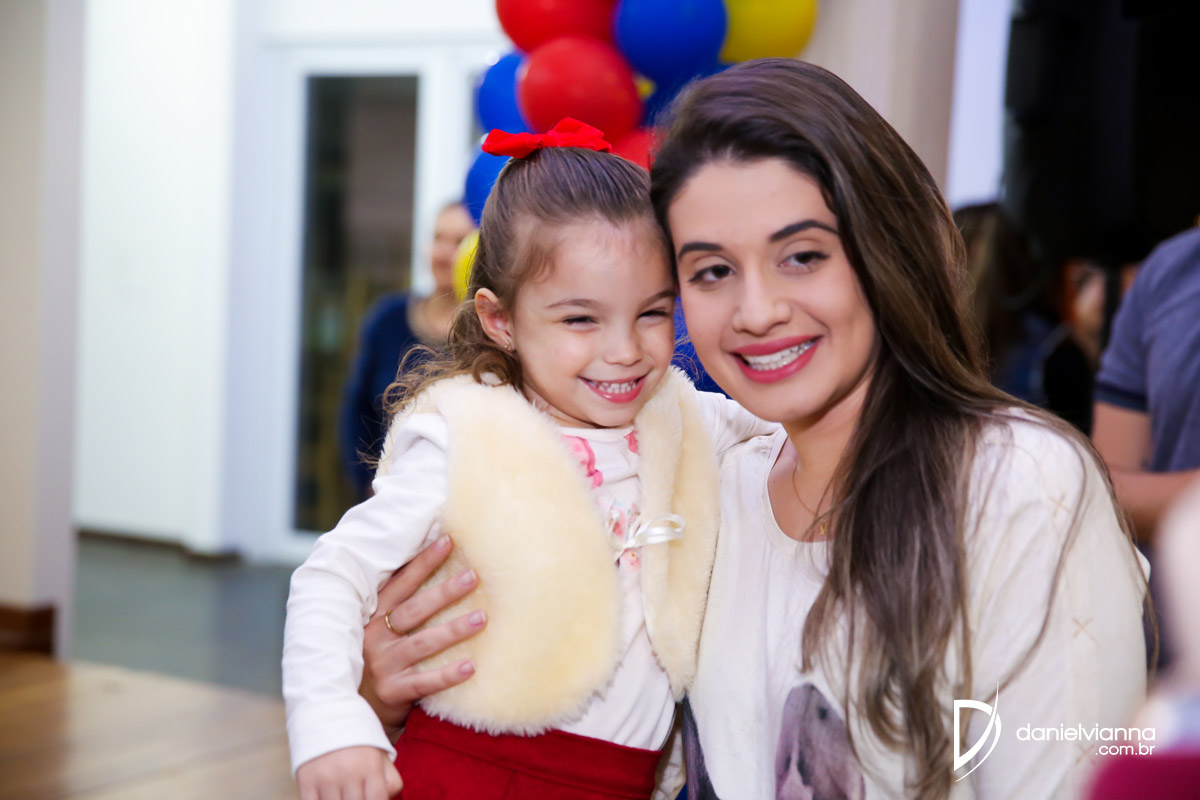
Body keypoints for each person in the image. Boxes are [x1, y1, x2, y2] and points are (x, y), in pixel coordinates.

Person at [362, 61, 1150, 799]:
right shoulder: (706, 483)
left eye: (802, 256)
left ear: (886, 250)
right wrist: (385, 700)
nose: (758, 310)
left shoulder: (1016, 484)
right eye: (711, 270)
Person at [284, 118, 772, 800]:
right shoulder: (467, 436)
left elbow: (805, 430)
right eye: (581, 319)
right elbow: (332, 575)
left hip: (617, 783)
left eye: (653, 313)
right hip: (467, 774)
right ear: (500, 320)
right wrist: (332, 722)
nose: (625, 351)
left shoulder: (688, 417)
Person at [339, 201, 475, 498]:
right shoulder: (387, 320)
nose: (444, 253)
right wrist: (369, 487)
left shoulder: (489, 333)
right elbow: (357, 411)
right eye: (438, 238)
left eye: (459, 242)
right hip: (387, 496)